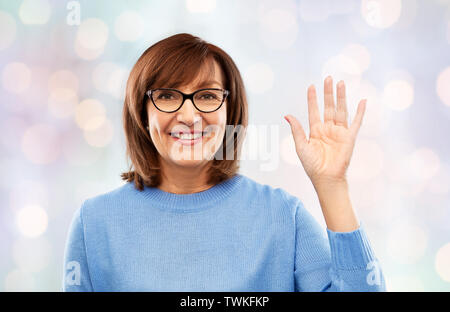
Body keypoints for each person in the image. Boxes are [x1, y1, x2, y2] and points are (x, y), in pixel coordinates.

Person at [62, 33, 386, 291]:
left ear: (230, 111)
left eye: (207, 96)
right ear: (141, 113)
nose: (189, 116)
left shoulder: (284, 218)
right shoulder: (94, 224)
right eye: (167, 95)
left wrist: (332, 185)